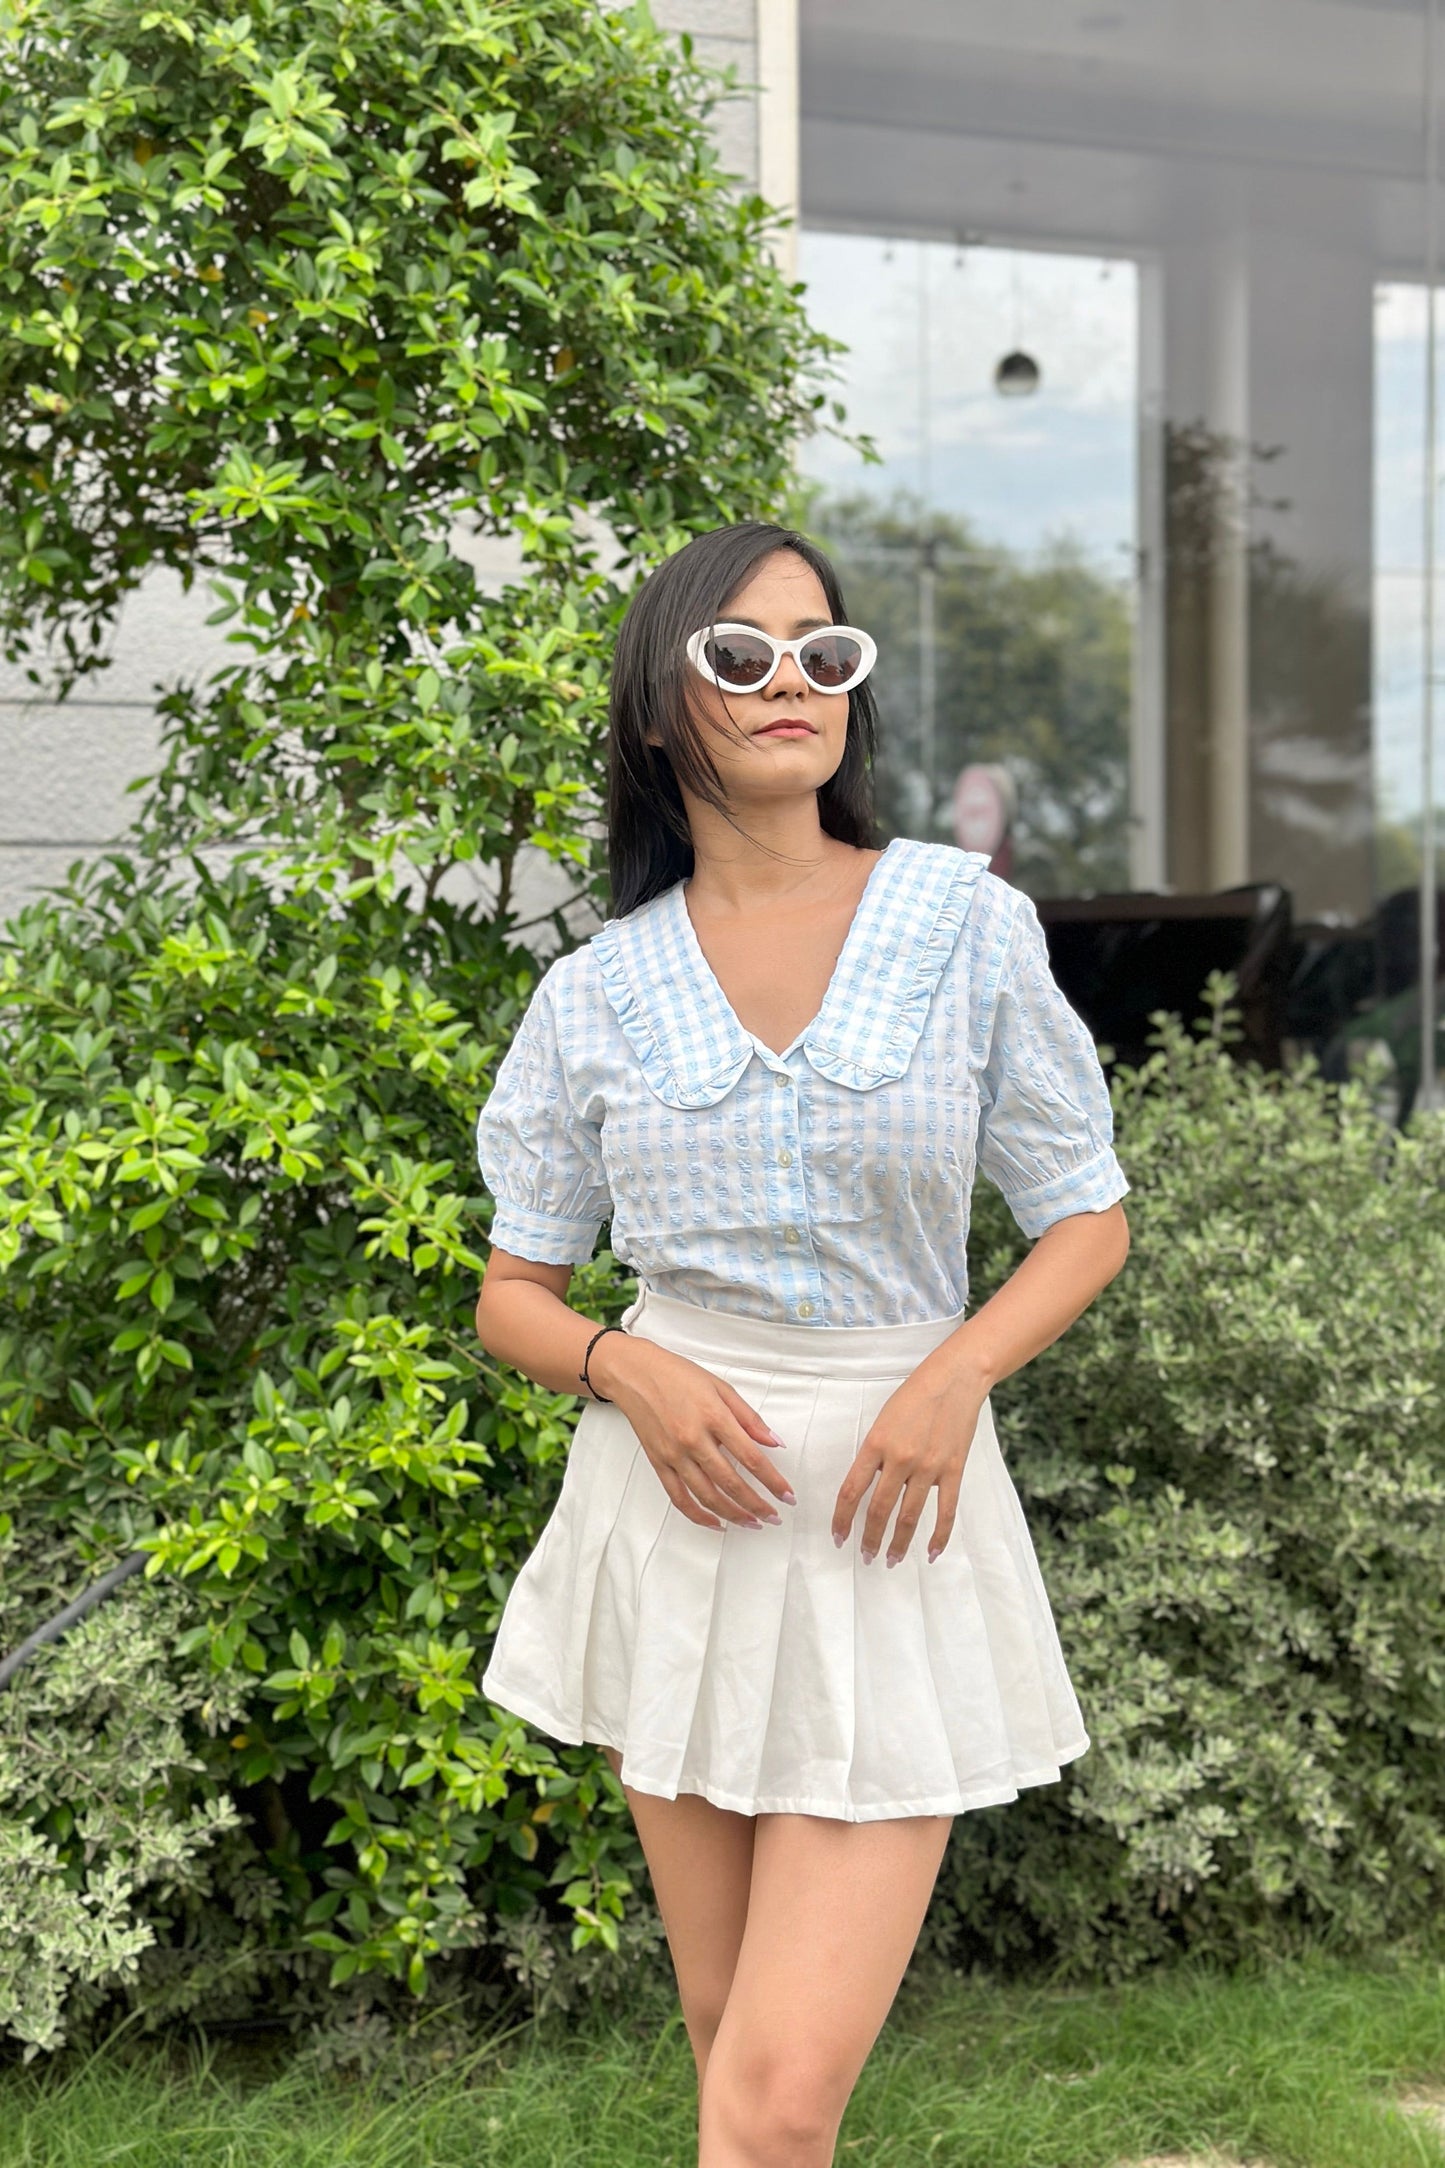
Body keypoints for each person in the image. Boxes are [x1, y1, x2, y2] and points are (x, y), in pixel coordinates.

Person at [472, 521, 1131, 2167]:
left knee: (771, 2101)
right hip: (673, 1517)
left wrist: (949, 1379)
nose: (791, 683)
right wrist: (625, 1366)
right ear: (654, 707)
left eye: (823, 653)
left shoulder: (961, 925)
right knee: (726, 2053)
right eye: (741, 654)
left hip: (887, 1517)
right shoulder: (595, 995)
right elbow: (515, 1295)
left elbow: (1086, 1217)